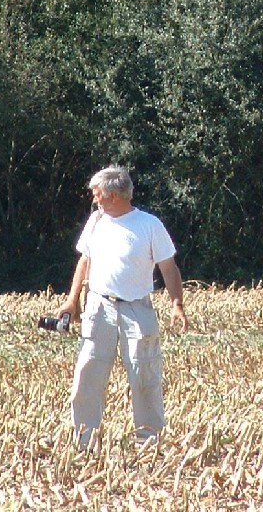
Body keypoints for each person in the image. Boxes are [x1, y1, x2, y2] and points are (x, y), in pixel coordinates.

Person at [55, 165, 188, 450]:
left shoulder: (150, 225)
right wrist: (71, 300)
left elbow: (169, 267)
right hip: (98, 308)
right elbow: (84, 262)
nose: (94, 198)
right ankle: (83, 443)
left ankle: (148, 444)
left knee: (144, 377)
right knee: (87, 374)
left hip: (137, 310)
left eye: (97, 192)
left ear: (114, 195)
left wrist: (176, 304)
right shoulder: (95, 222)